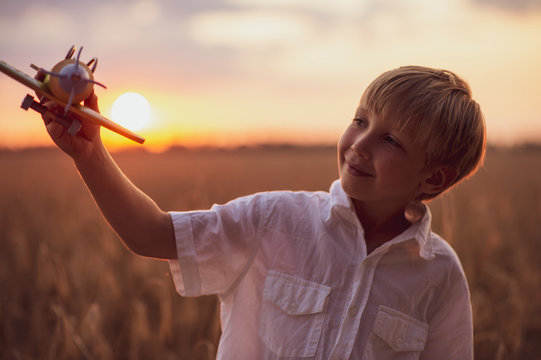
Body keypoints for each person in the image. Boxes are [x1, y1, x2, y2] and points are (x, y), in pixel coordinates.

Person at [38, 65, 485, 359]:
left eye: (391, 140)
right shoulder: (275, 220)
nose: (360, 145)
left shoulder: (440, 275)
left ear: (434, 179)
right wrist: (90, 154)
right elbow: (150, 233)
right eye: (360, 120)